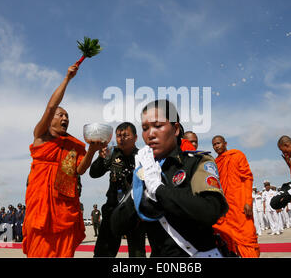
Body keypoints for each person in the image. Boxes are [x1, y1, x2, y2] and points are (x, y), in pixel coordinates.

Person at [111, 100, 229, 257]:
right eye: (145, 128)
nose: (150, 134)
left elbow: (210, 211)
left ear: (176, 129)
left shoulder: (196, 162)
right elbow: (117, 226)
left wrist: (159, 189)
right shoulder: (147, 171)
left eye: (158, 126)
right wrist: (137, 189)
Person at [22, 63, 106, 258]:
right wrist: (67, 79)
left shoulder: (74, 145)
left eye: (67, 116)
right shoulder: (41, 136)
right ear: (51, 118)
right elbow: (51, 106)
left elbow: (80, 170)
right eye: (61, 115)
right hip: (40, 204)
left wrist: (92, 149)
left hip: (65, 205)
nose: (65, 118)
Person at [90, 122, 146, 257]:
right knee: (103, 253)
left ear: (135, 137)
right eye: (119, 136)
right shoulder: (111, 153)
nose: (122, 138)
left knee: (138, 254)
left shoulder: (143, 156)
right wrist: (101, 158)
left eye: (126, 135)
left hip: (135, 213)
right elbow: (94, 173)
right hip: (112, 209)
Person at [211, 135, 259, 257]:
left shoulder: (237, 155)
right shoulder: (215, 163)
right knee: (228, 237)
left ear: (225, 143)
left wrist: (248, 201)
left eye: (218, 143)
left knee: (247, 236)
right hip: (227, 207)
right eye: (214, 145)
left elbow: (247, 177)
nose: (217, 146)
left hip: (241, 204)